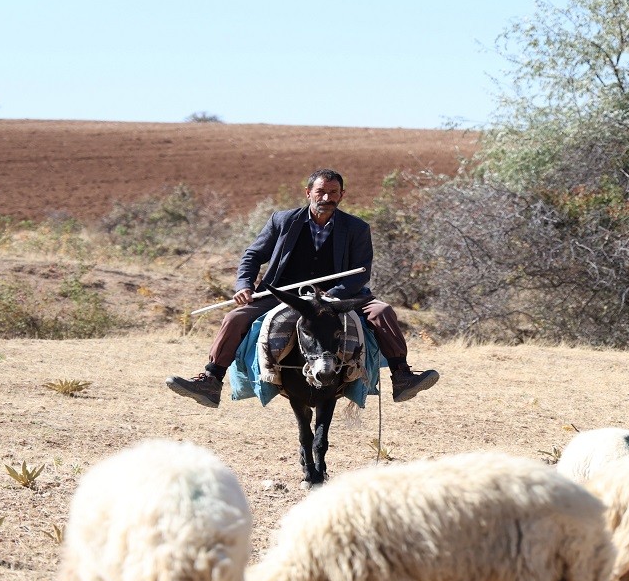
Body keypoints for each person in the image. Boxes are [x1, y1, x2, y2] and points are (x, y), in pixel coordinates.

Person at [166, 168, 440, 408]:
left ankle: (402, 376)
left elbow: (361, 273)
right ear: (308, 192)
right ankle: (211, 380)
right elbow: (252, 256)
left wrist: (334, 296)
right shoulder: (282, 221)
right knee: (234, 318)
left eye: (333, 192)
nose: (326, 198)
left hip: (340, 295)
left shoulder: (356, 228)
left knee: (382, 312)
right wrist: (244, 285)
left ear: (342, 195)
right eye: (321, 191)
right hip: (285, 293)